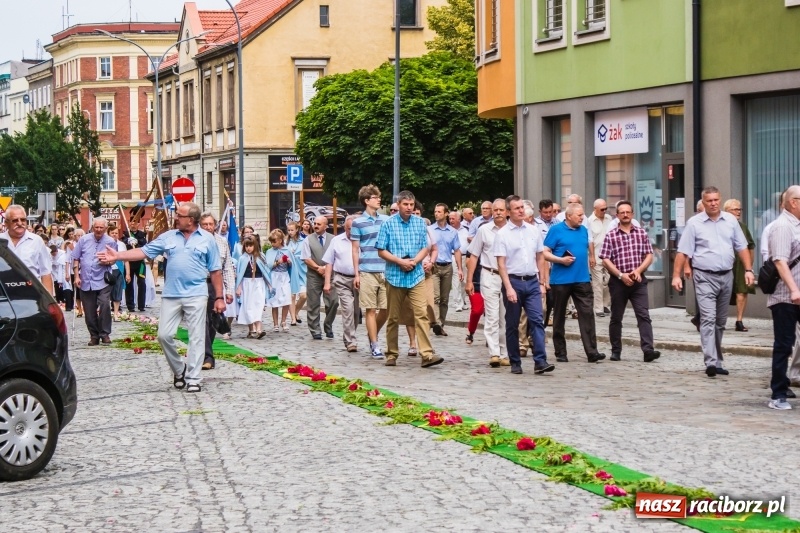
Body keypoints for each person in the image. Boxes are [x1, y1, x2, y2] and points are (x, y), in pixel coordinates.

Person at [102, 203, 225, 393]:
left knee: (197, 337)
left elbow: (216, 271)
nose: (176, 217)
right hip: (171, 294)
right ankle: (179, 369)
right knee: (164, 335)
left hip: (197, 294)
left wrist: (219, 297)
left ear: (190, 220)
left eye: (180, 215)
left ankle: (193, 378)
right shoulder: (168, 237)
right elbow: (144, 251)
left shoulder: (208, 240)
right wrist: (117, 255)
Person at [672, 186, 754, 378]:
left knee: (720, 321)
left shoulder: (731, 221)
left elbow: (742, 247)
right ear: (704, 202)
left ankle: (716, 360)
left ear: (720, 199)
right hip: (704, 276)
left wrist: (748, 270)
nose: (713, 203)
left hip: (727, 275)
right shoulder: (694, 224)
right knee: (708, 318)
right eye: (709, 201)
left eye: (716, 200)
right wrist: (676, 275)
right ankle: (711, 361)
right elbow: (683, 251)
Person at [376, 190, 444, 368]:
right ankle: (391, 354)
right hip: (395, 276)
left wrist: (415, 261)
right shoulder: (388, 224)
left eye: (411, 205)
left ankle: (427, 354)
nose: (408, 208)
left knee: (421, 313)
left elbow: (425, 247)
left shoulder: (420, 224)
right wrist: (399, 261)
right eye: (405, 204)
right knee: (393, 316)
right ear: (398, 205)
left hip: (416, 275)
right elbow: (381, 250)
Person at [493, 195, 553, 375]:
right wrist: (509, 288)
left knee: (536, 320)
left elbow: (540, 256)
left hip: (532, 281)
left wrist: (542, 282)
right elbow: (501, 264)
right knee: (512, 324)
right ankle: (515, 361)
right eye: (517, 208)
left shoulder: (533, 231)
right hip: (513, 281)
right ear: (509, 212)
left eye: (522, 207)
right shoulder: (502, 234)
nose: (521, 210)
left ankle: (540, 361)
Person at [544, 203, 606, 364]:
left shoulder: (584, 230)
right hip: (561, 281)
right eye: (579, 215)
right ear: (568, 216)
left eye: (582, 214)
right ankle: (560, 352)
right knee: (559, 317)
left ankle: (592, 351)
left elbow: (586, 248)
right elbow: (545, 253)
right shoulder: (556, 230)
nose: (582, 217)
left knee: (587, 315)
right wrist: (561, 260)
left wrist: (592, 257)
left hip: (582, 279)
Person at [599, 200, 660, 362]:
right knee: (616, 316)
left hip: (638, 281)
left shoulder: (640, 233)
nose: (625, 215)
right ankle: (616, 350)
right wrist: (620, 275)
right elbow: (605, 259)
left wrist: (639, 270)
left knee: (643, 315)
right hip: (618, 282)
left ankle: (648, 350)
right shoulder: (611, 235)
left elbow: (649, 255)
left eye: (628, 212)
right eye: (622, 212)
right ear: (617, 215)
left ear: (633, 214)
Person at [766, 186, 800, 410]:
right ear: (794, 202)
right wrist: (794, 289)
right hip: (786, 298)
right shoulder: (782, 226)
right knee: (784, 345)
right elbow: (779, 261)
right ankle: (778, 394)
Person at [466, 198, 509, 367]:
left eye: (501, 210)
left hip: (507, 277)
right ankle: (494, 353)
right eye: (495, 209)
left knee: (505, 316)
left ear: (507, 211)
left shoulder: (511, 231)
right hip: (489, 274)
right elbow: (473, 255)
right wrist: (469, 281)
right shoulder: (484, 230)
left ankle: (505, 352)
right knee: (491, 315)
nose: (498, 212)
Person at [351, 185, 389, 358]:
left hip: (386, 270)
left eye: (378, 197)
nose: (378, 199)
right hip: (367, 270)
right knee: (370, 309)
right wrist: (357, 274)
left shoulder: (386, 220)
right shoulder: (358, 222)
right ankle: (375, 344)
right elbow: (355, 249)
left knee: (387, 309)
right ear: (367, 201)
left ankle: (371, 332)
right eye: (375, 197)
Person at [199, 212, 235, 370]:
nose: (208, 227)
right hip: (199, 283)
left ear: (215, 225)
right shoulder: (195, 241)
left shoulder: (221, 242)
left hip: (216, 284)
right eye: (204, 224)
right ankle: (208, 356)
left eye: (210, 224)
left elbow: (227, 267)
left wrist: (229, 290)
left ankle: (206, 351)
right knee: (202, 320)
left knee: (213, 319)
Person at [72, 217, 116, 346]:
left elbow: (115, 259)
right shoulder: (84, 240)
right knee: (89, 310)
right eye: (96, 227)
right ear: (92, 227)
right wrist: (76, 276)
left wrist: (108, 261)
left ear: (106, 228)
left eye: (101, 227)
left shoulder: (110, 242)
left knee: (105, 305)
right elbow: (75, 258)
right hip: (86, 279)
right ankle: (94, 335)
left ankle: (105, 333)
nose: (98, 230)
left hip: (103, 279)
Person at [0, 205, 54, 295]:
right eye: (15, 220)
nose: (20, 223)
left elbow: (46, 273)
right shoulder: (1, 240)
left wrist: (49, 303)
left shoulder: (37, 241)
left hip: (30, 296)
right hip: (4, 296)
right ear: (6, 223)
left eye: (23, 219)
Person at [301, 216, 339, 340]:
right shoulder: (308, 239)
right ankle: (315, 329)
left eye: (319, 224)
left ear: (325, 226)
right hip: (314, 275)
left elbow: (337, 256)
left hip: (331, 275)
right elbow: (306, 258)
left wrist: (327, 270)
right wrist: (319, 268)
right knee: (313, 303)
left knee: (333, 301)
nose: (315, 226)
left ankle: (328, 324)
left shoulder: (334, 239)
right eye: (315, 223)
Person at [324, 216, 358, 351]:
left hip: (359, 279)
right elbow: (329, 262)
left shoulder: (363, 240)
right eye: (349, 229)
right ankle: (351, 341)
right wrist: (327, 283)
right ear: (344, 228)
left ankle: (349, 336)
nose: (352, 232)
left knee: (356, 311)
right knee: (348, 309)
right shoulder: (336, 241)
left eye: (355, 229)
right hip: (341, 279)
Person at [429, 203, 463, 336]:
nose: (436, 213)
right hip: (434, 266)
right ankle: (436, 322)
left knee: (445, 299)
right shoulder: (430, 229)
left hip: (448, 266)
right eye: (435, 211)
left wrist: (460, 269)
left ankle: (441, 324)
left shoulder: (453, 232)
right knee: (436, 297)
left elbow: (457, 250)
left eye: (439, 211)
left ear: (446, 213)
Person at [723, 199, 756, 332]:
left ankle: (739, 320)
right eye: (735, 209)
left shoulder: (742, 227)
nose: (739, 212)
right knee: (721, 292)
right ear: (727, 211)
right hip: (725, 263)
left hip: (740, 263)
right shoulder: (721, 225)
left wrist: (749, 266)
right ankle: (718, 319)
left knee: (742, 291)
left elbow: (750, 246)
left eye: (739, 209)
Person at [236, 235, 271, 339]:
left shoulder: (261, 256)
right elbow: (239, 274)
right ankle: (251, 329)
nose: (248, 248)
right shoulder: (242, 259)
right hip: (247, 284)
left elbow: (266, 271)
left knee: (258, 305)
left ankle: (259, 329)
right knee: (248, 307)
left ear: (255, 246)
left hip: (258, 283)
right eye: (246, 246)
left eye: (250, 246)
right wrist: (238, 287)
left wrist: (269, 285)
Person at [587, 198, 613, 317]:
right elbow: (589, 241)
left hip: (609, 256)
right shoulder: (589, 221)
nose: (604, 211)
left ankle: (605, 304)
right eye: (602, 209)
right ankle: (598, 309)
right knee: (597, 282)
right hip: (596, 255)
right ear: (595, 209)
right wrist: (591, 256)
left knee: (608, 280)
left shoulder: (609, 219)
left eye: (605, 208)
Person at [264, 229, 292, 332]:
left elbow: (292, 265)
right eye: (271, 241)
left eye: (274, 241)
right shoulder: (269, 252)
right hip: (274, 277)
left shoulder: (287, 250)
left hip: (284, 276)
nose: (272, 243)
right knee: (274, 300)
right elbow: (267, 266)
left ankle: (283, 321)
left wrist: (289, 261)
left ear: (280, 240)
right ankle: (275, 323)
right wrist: (277, 262)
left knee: (286, 299)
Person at [122, 219, 148, 313]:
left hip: (139, 263)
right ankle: (130, 306)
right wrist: (127, 241)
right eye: (131, 222)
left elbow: (145, 244)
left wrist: (138, 242)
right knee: (129, 283)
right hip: (129, 262)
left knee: (142, 283)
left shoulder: (141, 234)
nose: (133, 224)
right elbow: (123, 242)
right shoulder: (126, 234)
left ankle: (141, 305)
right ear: (129, 223)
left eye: (135, 222)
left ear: (138, 224)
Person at [286, 221, 307, 326]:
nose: (290, 232)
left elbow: (307, 255)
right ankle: (293, 318)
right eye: (289, 230)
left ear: (297, 230)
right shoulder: (286, 243)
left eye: (292, 230)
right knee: (292, 296)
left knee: (304, 295)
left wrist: (297, 256)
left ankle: (296, 311)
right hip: (290, 272)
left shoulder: (303, 241)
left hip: (302, 271)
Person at [107, 224, 129, 321]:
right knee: (106, 293)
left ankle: (116, 313)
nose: (114, 235)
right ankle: (106, 313)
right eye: (112, 233)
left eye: (116, 233)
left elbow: (126, 259)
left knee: (118, 291)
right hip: (108, 270)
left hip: (119, 270)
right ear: (108, 234)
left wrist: (127, 273)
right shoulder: (105, 244)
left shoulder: (122, 245)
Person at [449, 210, 469, 312]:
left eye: (453, 218)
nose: (451, 220)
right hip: (453, 256)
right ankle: (457, 303)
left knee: (464, 280)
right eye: (450, 219)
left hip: (465, 257)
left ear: (459, 219)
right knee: (456, 278)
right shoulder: (448, 230)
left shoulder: (466, 230)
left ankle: (463, 301)